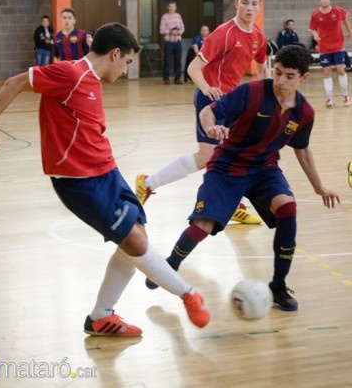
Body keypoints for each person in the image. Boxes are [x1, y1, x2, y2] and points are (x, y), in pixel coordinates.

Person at [0, 22, 210, 337]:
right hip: (78, 182)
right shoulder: (71, 74)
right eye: (127, 62)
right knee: (135, 241)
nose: (127, 70)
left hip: (108, 173)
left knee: (136, 235)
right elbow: (15, 82)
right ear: (115, 53)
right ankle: (188, 293)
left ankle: (101, 316)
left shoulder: (94, 81)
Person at [143, 45, 340, 311]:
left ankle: (278, 286)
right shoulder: (253, 92)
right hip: (227, 166)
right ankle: (171, 264)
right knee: (201, 226)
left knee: (288, 208)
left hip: (264, 169)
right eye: (278, 72)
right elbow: (207, 111)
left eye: (289, 76)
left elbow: (302, 149)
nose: (280, 80)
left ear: (303, 77)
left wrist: (319, 186)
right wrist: (210, 126)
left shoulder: (304, 113)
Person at [135, 0, 270, 225]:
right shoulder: (223, 33)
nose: (250, 8)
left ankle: (234, 204)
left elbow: (262, 66)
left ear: (259, 6)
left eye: (254, 3)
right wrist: (207, 88)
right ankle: (147, 183)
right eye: (245, 3)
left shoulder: (258, 37)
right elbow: (193, 67)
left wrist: (267, 95)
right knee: (206, 157)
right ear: (237, 4)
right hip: (211, 100)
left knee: (233, 155)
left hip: (233, 102)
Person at [308, 0, 352, 107]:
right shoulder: (315, 14)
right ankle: (330, 99)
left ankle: (345, 96)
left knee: (340, 69)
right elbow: (312, 28)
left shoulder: (337, 10)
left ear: (330, 0)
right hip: (324, 48)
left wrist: (350, 31)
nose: (325, 0)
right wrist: (315, 35)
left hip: (338, 45)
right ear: (320, 0)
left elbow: (345, 19)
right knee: (326, 71)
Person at [159, 1, 185, 85]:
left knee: (178, 60)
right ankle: (166, 78)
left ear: (176, 7)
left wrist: (179, 32)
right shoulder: (164, 17)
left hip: (177, 40)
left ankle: (177, 78)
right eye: (170, 7)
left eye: (173, 7)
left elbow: (182, 27)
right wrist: (171, 31)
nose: (172, 8)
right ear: (168, 7)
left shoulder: (178, 16)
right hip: (169, 41)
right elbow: (161, 30)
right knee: (166, 60)